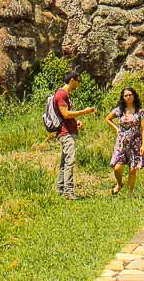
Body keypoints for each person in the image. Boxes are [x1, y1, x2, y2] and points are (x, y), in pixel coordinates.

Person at [53, 71, 96, 199]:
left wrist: (76, 121)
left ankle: (60, 190)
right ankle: (69, 192)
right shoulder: (61, 94)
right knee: (70, 161)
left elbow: (66, 116)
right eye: (78, 80)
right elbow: (65, 114)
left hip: (69, 130)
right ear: (72, 80)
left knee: (65, 162)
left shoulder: (67, 95)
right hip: (66, 133)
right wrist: (84, 111)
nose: (79, 83)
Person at [105, 86, 144, 196]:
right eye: (126, 95)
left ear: (134, 96)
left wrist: (143, 145)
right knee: (117, 167)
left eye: (130, 95)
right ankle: (119, 184)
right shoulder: (119, 110)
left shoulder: (140, 111)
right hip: (122, 142)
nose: (128, 97)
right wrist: (116, 128)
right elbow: (107, 119)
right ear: (123, 97)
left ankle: (130, 193)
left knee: (133, 169)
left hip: (135, 142)